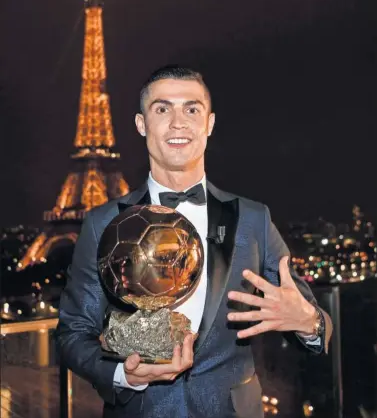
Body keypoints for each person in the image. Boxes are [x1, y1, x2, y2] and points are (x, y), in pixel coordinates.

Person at [56, 65, 333, 418]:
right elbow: (72, 334)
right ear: (141, 124)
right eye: (162, 109)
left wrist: (308, 321)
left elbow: (313, 318)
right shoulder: (102, 223)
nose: (177, 122)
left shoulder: (253, 219)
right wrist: (122, 374)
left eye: (191, 109)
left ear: (210, 123)